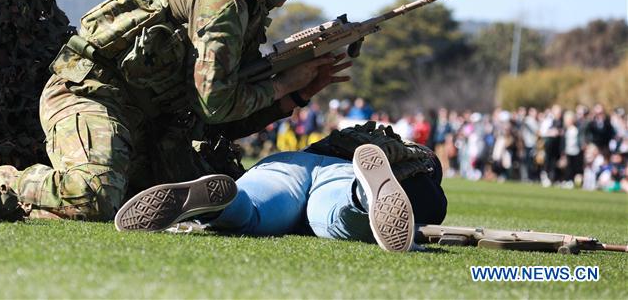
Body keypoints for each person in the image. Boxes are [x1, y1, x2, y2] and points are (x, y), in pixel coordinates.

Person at [0, 0, 355, 220]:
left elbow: (217, 120)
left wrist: (300, 93)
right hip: (91, 95)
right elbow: (216, 103)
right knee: (92, 197)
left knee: (221, 204)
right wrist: (284, 84)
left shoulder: (248, 10)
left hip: (149, 122)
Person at [115, 122, 447, 253]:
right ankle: (362, 196)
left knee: (252, 209)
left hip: (290, 163)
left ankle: (217, 205)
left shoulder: (356, 134)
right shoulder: (425, 179)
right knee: (335, 216)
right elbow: (427, 207)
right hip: (342, 175)